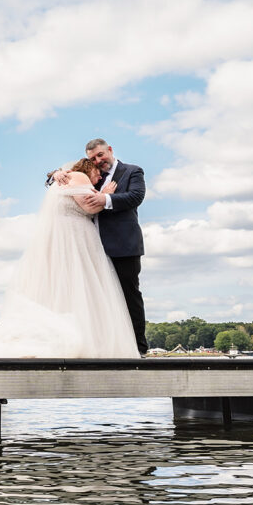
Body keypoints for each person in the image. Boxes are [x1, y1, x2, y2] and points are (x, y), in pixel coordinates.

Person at [0, 158, 139, 358]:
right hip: (74, 236)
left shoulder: (65, 176)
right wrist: (105, 195)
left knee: (66, 285)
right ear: (89, 169)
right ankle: (88, 338)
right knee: (81, 283)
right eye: (97, 174)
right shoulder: (79, 176)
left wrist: (57, 174)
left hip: (63, 237)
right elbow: (89, 207)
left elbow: (60, 184)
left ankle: (78, 332)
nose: (99, 178)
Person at [78, 138, 148, 355]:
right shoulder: (92, 176)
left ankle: (139, 348)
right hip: (94, 248)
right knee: (99, 298)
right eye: (93, 158)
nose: (98, 161)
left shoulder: (132, 171)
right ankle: (108, 346)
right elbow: (68, 179)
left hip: (124, 246)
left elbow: (135, 197)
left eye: (100, 155)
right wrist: (56, 174)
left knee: (129, 296)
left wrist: (104, 199)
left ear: (109, 150)